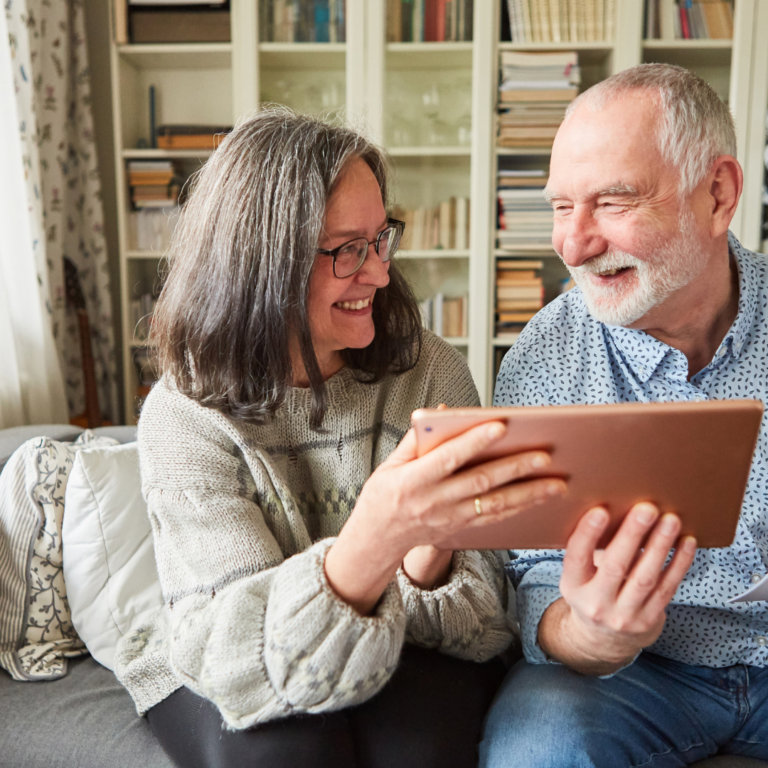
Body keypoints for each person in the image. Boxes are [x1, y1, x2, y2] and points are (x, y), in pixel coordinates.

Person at [113, 108, 567, 768]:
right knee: (287, 751)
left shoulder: (431, 371)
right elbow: (238, 659)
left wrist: (428, 557)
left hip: (401, 644)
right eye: (347, 250)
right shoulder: (184, 414)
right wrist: (376, 535)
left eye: (380, 239)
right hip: (230, 659)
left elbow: (487, 622)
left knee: (425, 747)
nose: (379, 274)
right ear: (261, 263)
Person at [481, 63, 768, 767]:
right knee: (539, 752)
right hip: (634, 677)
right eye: (559, 207)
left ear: (718, 194)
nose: (573, 246)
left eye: (612, 202)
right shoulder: (544, 360)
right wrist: (589, 637)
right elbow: (533, 573)